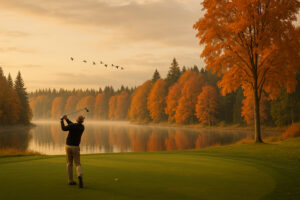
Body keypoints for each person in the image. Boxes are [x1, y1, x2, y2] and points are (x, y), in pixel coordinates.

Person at [61, 115, 85, 188]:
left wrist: (61, 121)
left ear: (76, 119)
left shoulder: (72, 125)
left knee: (69, 164)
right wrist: (66, 119)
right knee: (77, 164)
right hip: (76, 147)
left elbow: (64, 128)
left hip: (68, 146)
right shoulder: (82, 127)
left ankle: (70, 180)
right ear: (82, 121)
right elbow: (71, 124)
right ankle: (79, 175)